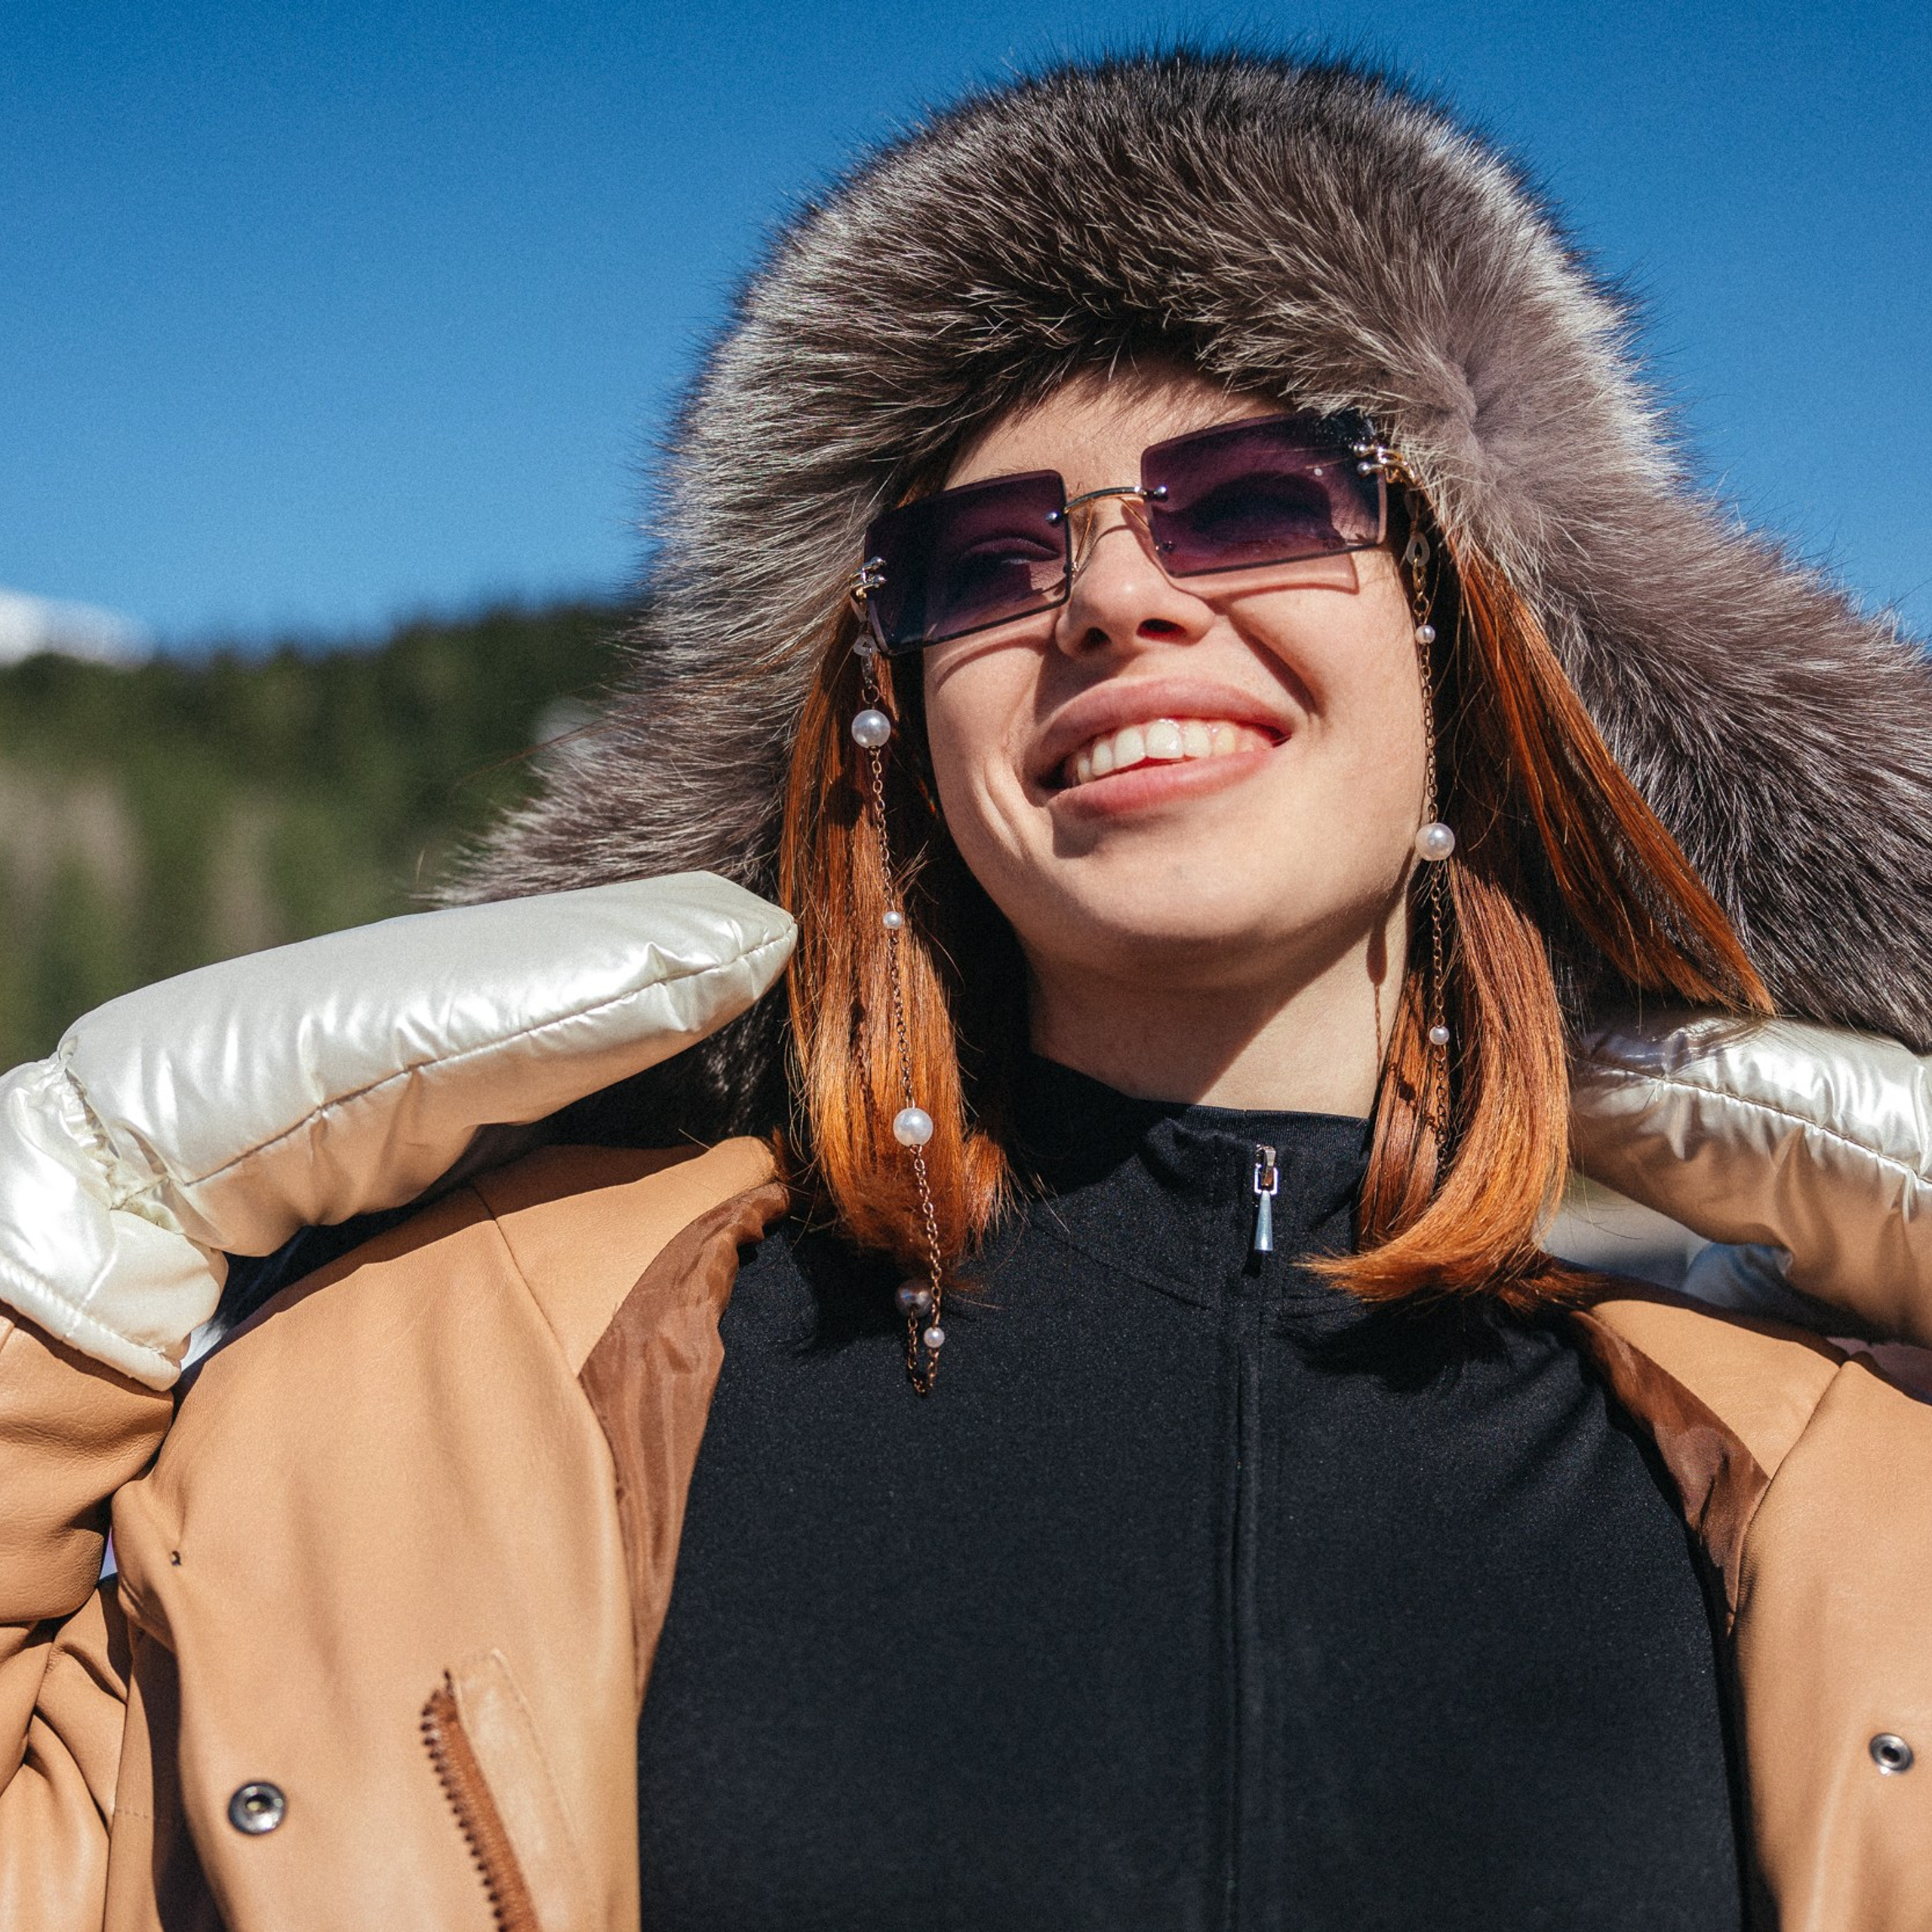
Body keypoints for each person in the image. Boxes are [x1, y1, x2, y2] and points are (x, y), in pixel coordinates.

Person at [4, 49, 1931, 1932]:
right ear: (890, 721)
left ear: (1470, 622)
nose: (1108, 602)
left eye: (1251, 502)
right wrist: (56, 1257)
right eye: (986, 559)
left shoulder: (1835, 1478)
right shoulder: (448, 1388)